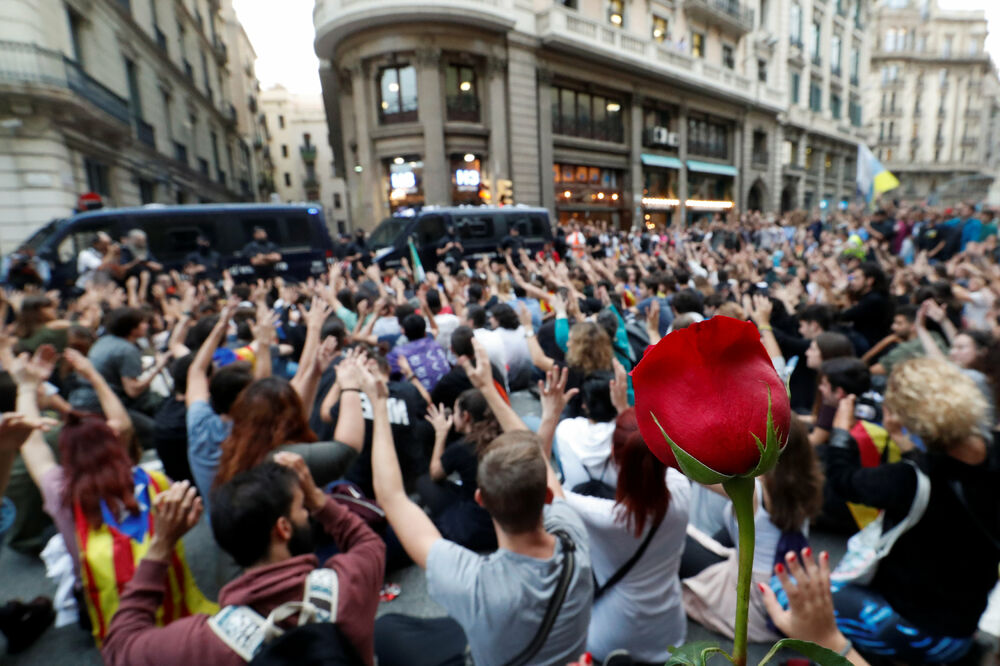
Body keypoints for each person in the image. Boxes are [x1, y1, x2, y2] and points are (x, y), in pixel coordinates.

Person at [369, 341, 593, 666]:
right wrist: (490, 389)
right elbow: (540, 461)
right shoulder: (574, 535)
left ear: (481, 499)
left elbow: (390, 496)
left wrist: (379, 405)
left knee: (387, 629)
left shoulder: (474, 582)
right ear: (546, 497)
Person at [9, 346, 215, 644]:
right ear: (115, 444)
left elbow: (32, 445)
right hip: (166, 584)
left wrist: (26, 388)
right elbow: (125, 426)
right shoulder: (153, 481)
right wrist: (94, 375)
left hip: (107, 606)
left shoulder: (61, 492)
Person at [101, 454, 385, 665]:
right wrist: (319, 499)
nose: (307, 513)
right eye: (302, 507)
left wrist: (162, 544)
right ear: (283, 528)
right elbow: (368, 542)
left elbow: (120, 646)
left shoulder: (206, 642)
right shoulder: (348, 586)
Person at [826, 358, 999, 663]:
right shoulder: (992, 449)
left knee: (793, 595)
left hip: (920, 632)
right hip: (963, 626)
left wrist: (839, 431)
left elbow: (843, 481)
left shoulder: (906, 479)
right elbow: (940, 462)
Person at [542, 362, 692, 664]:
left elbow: (538, 477)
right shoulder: (681, 489)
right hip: (671, 631)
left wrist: (550, 415)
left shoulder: (603, 516)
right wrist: (625, 407)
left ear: (616, 457)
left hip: (609, 636)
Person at [683, 416, 824, 643]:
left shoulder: (756, 493)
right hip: (780, 580)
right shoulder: (807, 486)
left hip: (753, 594)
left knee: (680, 542)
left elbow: (694, 472)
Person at [417, 390, 500, 551]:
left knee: (425, 482)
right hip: (509, 522)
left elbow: (435, 474)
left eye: (455, 412)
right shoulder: (501, 434)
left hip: (478, 528)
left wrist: (440, 433)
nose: (452, 416)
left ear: (466, 416)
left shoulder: (462, 448)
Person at [387, 313, 450, 391]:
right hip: (448, 392)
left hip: (421, 399)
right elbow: (435, 330)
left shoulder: (397, 353)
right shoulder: (434, 344)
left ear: (403, 332)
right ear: (425, 331)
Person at [840, 262, 893, 349]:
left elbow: (845, 316)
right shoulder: (872, 297)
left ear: (869, 281)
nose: (852, 282)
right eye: (852, 278)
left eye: (857, 278)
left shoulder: (874, 299)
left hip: (871, 345)